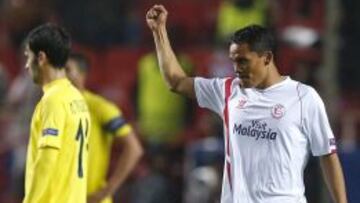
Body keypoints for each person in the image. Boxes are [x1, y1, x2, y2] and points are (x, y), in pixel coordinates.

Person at [146, 5, 348, 203]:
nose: (236, 69)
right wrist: (159, 31)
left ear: (267, 57)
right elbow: (177, 82)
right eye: (233, 61)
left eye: (243, 61)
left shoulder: (304, 97)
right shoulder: (228, 91)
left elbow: (327, 155)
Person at [22, 23, 91, 203]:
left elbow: (47, 161)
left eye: (28, 57)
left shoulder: (53, 102)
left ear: (41, 58)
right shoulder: (76, 98)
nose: (26, 65)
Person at [66, 53, 143, 203]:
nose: (62, 75)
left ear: (82, 74)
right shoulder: (54, 108)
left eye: (68, 69)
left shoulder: (99, 107)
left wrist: (107, 191)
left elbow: (134, 148)